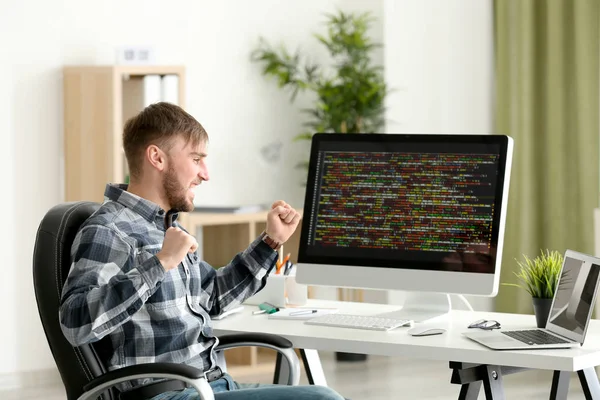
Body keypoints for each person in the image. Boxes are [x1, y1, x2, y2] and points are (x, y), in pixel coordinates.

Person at [59, 102, 345, 400]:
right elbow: (76, 323)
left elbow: (214, 297)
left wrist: (271, 241)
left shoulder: (168, 230)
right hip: (170, 395)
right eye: (196, 159)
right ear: (157, 157)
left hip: (210, 386)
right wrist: (161, 263)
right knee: (324, 399)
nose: (205, 174)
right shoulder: (109, 230)